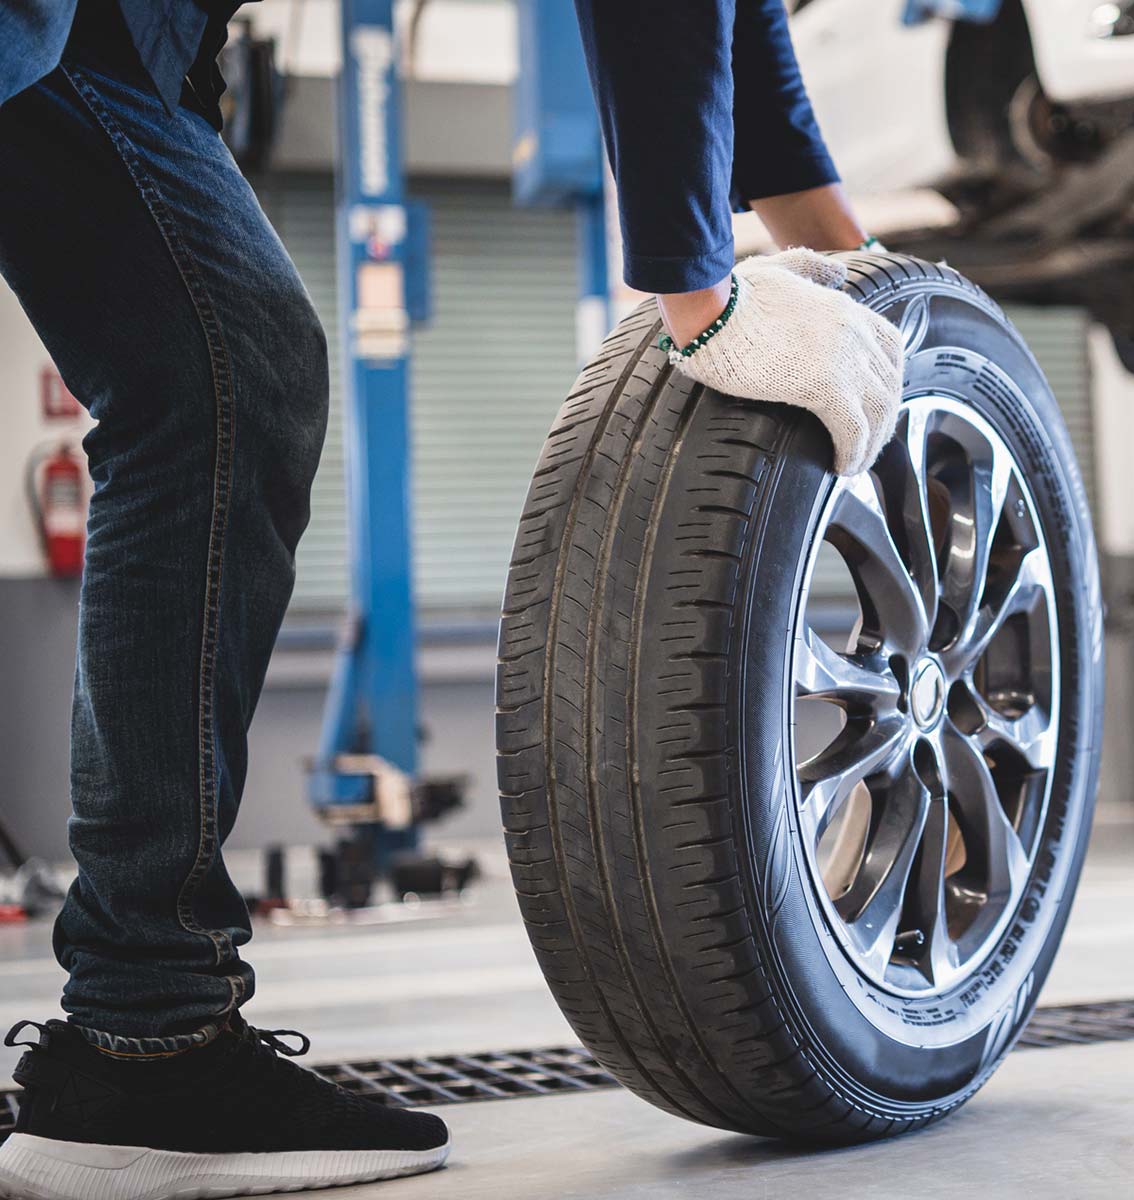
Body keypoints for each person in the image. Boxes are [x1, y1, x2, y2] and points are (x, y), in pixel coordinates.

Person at [0, 0, 899, 1194]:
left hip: (106, 41)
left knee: (217, 374)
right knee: (222, 376)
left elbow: (726, 29)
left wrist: (852, 267)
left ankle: (141, 1042)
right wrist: (698, 295)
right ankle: (143, 1039)